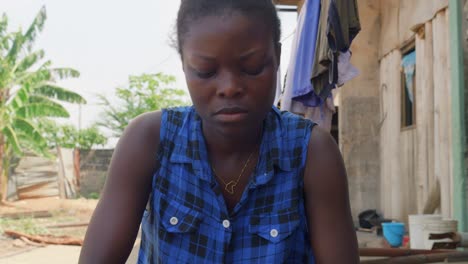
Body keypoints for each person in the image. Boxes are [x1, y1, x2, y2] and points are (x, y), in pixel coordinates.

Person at [79, 0, 359, 263]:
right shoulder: (148, 141)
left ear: (277, 57)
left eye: (252, 67)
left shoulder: (312, 153)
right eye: (205, 71)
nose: (229, 86)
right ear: (184, 65)